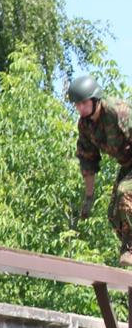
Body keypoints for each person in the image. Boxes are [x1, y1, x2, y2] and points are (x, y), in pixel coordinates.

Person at [69, 73, 132, 267]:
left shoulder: (117, 111)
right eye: (76, 105)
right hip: (127, 164)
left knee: (125, 194)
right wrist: (89, 197)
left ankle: (131, 248)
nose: (79, 108)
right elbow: (88, 160)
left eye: (83, 103)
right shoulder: (85, 126)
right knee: (113, 214)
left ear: (95, 99)